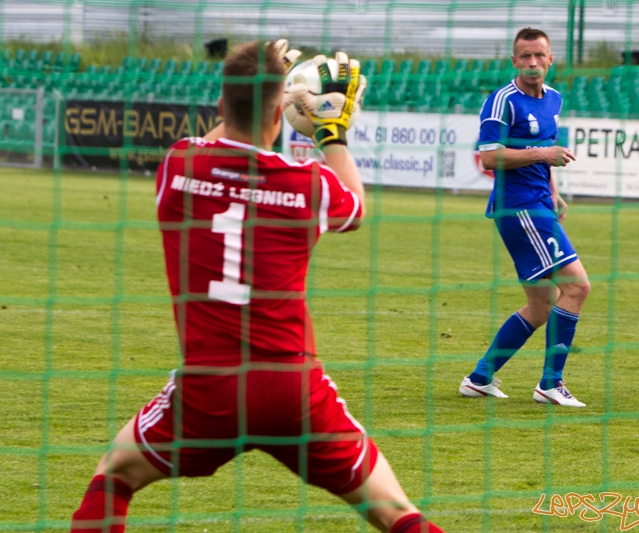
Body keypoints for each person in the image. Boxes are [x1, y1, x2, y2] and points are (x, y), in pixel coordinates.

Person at [70, 40, 445, 533]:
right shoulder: (308, 184)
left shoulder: (179, 166)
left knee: (115, 476)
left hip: (209, 390)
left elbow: (211, 143)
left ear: (220, 105)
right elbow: (355, 205)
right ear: (277, 115)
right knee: (395, 513)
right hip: (292, 390)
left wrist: (259, 85)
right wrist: (331, 131)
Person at [458, 28, 591, 407]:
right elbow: (489, 157)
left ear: (550, 59)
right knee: (577, 287)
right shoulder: (502, 101)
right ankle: (551, 383)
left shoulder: (554, 99)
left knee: (540, 305)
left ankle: (480, 378)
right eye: (525, 57)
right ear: (514, 61)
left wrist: (553, 191)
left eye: (539, 56)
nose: (533, 63)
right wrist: (543, 156)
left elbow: (544, 148)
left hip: (538, 203)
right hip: (518, 207)